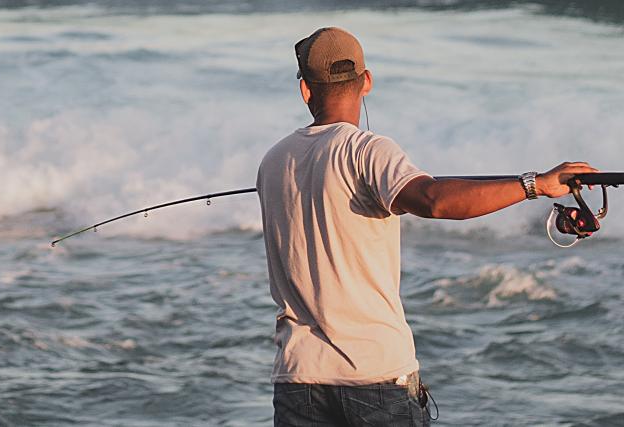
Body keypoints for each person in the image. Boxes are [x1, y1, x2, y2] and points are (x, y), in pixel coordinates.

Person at [255, 27, 598, 427]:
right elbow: (433, 200)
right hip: (373, 376)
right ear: (367, 81)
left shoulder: (273, 160)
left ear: (305, 90)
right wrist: (534, 185)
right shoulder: (368, 150)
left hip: (298, 380)